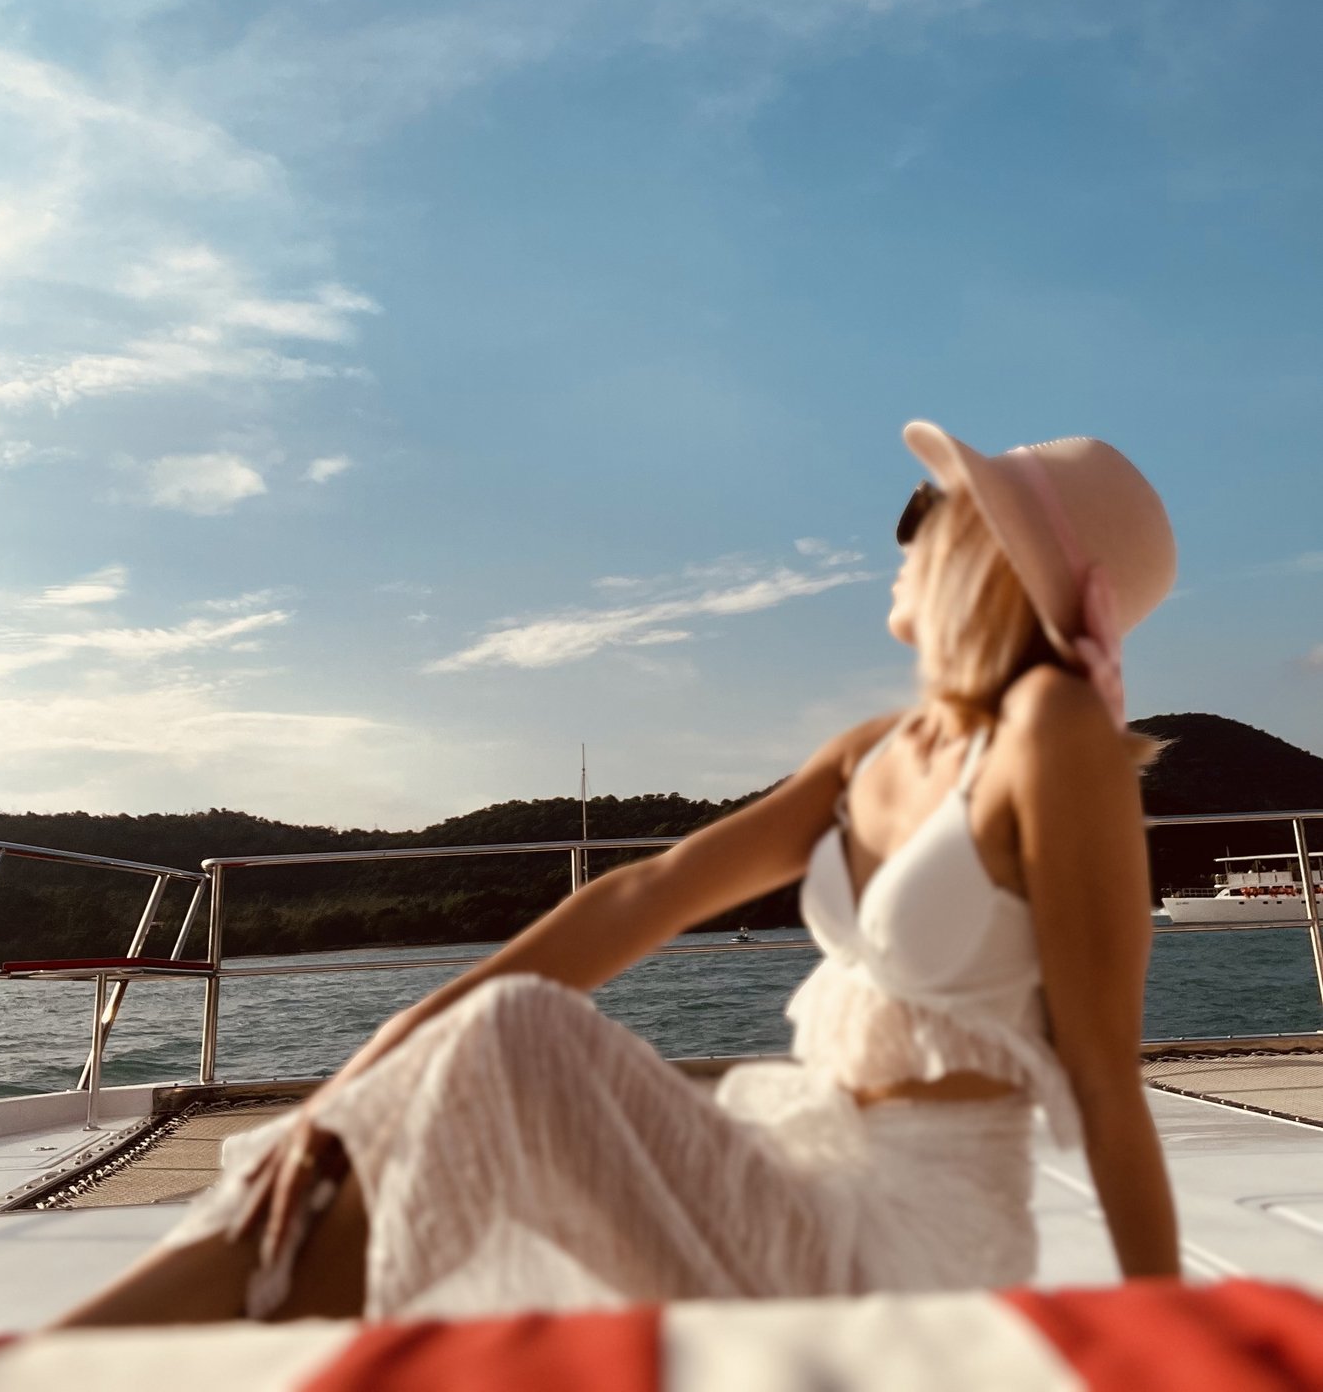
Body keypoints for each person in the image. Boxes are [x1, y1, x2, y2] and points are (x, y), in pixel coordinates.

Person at [58, 420, 1181, 1326]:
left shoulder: (1055, 731)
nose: (901, 533)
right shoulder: (873, 752)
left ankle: (94, 1360)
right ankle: (79, 1358)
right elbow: (649, 892)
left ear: (990, 554)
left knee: (506, 1042)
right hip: (802, 1177)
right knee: (341, 1148)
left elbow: (1105, 1079)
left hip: (909, 1247)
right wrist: (363, 1074)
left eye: (927, 512)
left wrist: (1171, 1338)